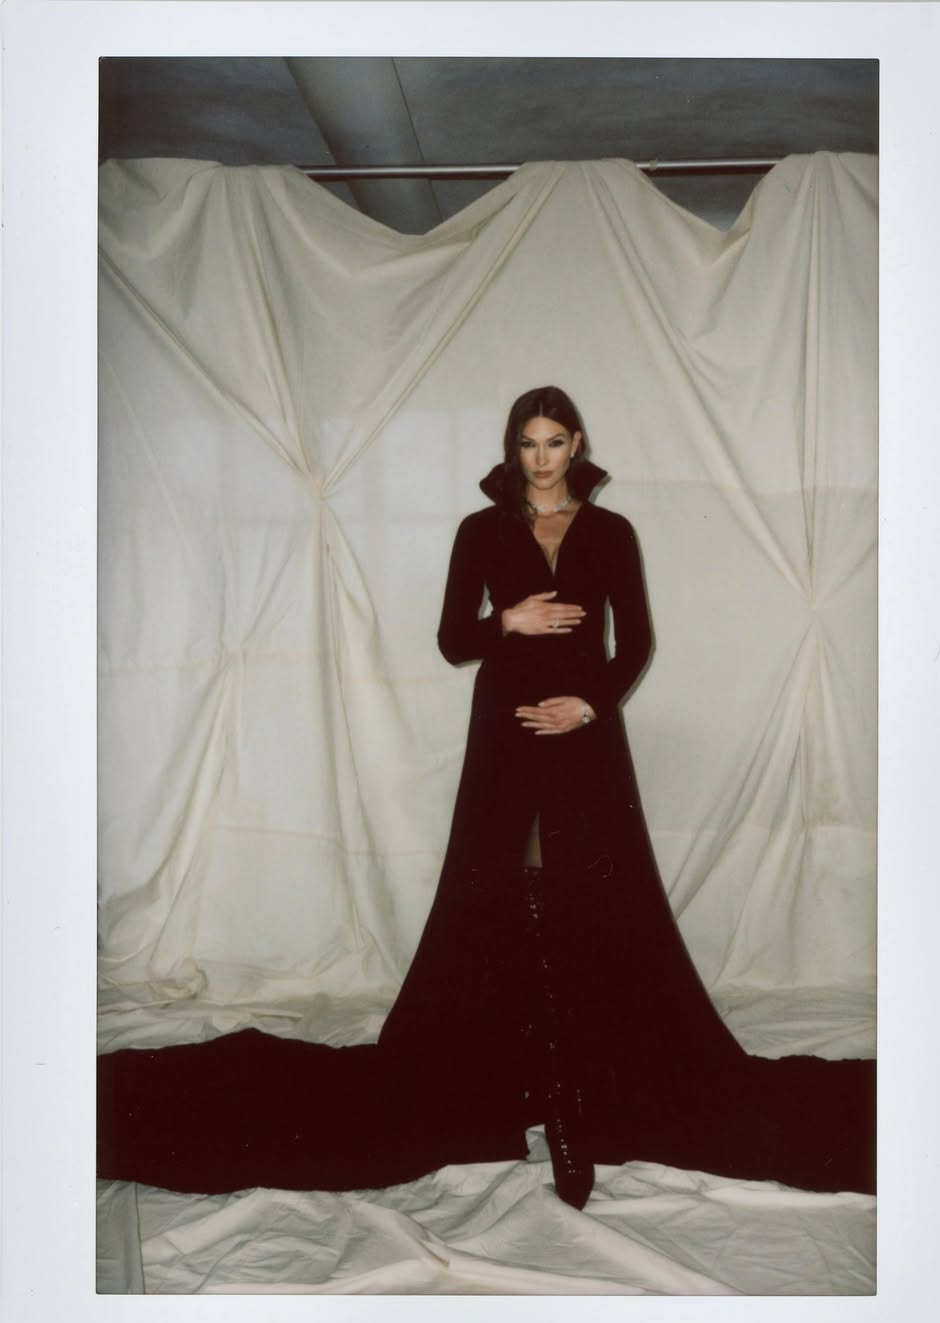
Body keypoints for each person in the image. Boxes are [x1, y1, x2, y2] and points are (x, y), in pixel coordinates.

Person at [96, 387, 875, 1207]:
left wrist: (591, 705)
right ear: (514, 448)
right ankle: (537, 1086)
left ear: (577, 444)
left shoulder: (611, 532)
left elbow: (636, 642)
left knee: (587, 892)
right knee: (512, 886)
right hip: (506, 735)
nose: (540, 459)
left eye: (553, 443)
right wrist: (508, 621)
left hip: (584, 738)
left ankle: (576, 1094)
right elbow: (450, 640)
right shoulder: (482, 530)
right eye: (527, 444)